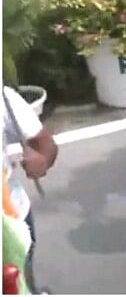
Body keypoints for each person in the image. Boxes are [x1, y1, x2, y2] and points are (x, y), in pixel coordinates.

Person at [2, 86, 58, 294]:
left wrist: (41, 161)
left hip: (11, 220)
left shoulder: (4, 98)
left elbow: (46, 144)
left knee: (19, 286)